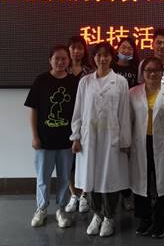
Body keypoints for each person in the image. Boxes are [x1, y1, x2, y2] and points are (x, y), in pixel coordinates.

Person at [71, 42, 131, 237]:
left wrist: (125, 141)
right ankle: (97, 214)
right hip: (89, 138)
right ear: (93, 58)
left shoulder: (120, 82)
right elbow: (78, 111)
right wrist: (76, 136)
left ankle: (109, 217)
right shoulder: (85, 82)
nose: (102, 58)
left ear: (111, 57)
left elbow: (124, 113)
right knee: (91, 178)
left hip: (111, 138)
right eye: (98, 55)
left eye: (106, 55)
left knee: (110, 178)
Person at [129, 57, 164, 238]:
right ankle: (144, 218)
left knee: (163, 183)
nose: (152, 73)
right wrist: (126, 144)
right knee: (141, 182)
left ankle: (160, 222)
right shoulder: (133, 93)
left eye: (156, 70)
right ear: (142, 73)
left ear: (162, 72)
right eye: (148, 70)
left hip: (163, 144)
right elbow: (128, 121)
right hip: (140, 144)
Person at [25, 45, 78, 228]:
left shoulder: (74, 82)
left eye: (64, 59)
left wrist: (77, 138)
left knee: (64, 178)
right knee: (43, 178)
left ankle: (61, 210)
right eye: (57, 58)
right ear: (50, 60)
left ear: (69, 61)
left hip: (66, 141)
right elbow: (33, 110)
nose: (61, 62)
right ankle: (41, 209)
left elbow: (79, 113)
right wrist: (35, 136)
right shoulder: (41, 80)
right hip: (44, 141)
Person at [65, 36, 93, 214]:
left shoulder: (90, 71)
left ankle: (84, 195)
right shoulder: (62, 69)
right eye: (73, 48)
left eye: (80, 48)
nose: (76, 51)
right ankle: (73, 194)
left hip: (85, 120)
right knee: (68, 161)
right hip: (64, 120)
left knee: (84, 159)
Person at [111, 37, 139, 211]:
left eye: (129, 48)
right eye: (123, 47)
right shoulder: (111, 68)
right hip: (113, 115)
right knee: (115, 156)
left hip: (133, 114)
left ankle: (128, 195)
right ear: (117, 49)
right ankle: (115, 193)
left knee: (129, 157)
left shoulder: (136, 68)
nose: (126, 50)